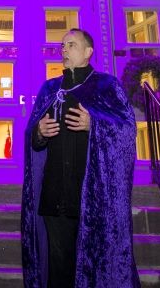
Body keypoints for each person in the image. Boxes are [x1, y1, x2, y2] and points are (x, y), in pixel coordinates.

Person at [21, 28, 140, 288]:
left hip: (91, 198)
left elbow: (127, 130)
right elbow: (32, 134)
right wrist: (39, 133)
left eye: (71, 45)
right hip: (54, 196)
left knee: (92, 269)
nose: (63, 50)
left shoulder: (107, 86)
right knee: (59, 270)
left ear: (88, 52)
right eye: (62, 46)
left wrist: (94, 124)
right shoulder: (49, 88)